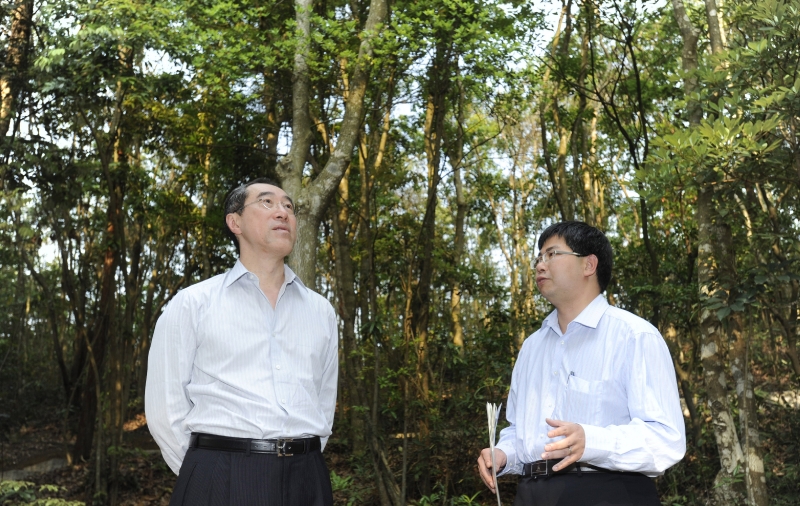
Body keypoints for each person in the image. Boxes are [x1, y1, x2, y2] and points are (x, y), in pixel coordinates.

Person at [146, 178, 338, 506]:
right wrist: (203, 472)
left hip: (307, 477)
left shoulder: (321, 311)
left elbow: (323, 400)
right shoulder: (193, 303)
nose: (282, 212)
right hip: (221, 474)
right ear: (235, 222)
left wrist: (302, 459)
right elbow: (165, 409)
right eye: (267, 202)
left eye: (288, 206)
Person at [477, 221, 685, 506]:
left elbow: (666, 437)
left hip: (608, 492)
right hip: (531, 492)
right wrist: (504, 454)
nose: (540, 265)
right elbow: (519, 431)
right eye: (539, 258)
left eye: (552, 254)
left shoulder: (634, 335)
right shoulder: (531, 347)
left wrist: (591, 440)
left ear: (589, 265)